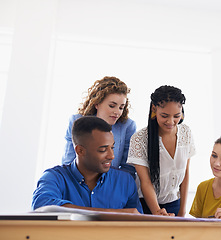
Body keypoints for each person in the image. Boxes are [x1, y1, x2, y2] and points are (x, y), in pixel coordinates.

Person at [32, 116, 143, 213]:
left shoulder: (125, 181)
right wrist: (115, 213)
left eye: (112, 148)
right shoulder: (54, 177)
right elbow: (42, 207)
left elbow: (139, 227)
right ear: (80, 151)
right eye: (103, 150)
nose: (111, 156)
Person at [127, 85, 195, 217]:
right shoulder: (139, 139)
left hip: (175, 202)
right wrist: (157, 212)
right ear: (154, 109)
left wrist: (182, 211)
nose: (171, 121)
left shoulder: (186, 132)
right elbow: (145, 182)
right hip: (146, 204)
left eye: (176, 116)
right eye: (164, 116)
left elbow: (185, 174)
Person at [62, 76, 136, 178]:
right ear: (97, 103)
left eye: (121, 107)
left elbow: (128, 169)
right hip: (78, 181)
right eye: (112, 106)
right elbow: (68, 162)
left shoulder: (127, 126)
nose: (117, 112)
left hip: (111, 184)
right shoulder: (76, 121)